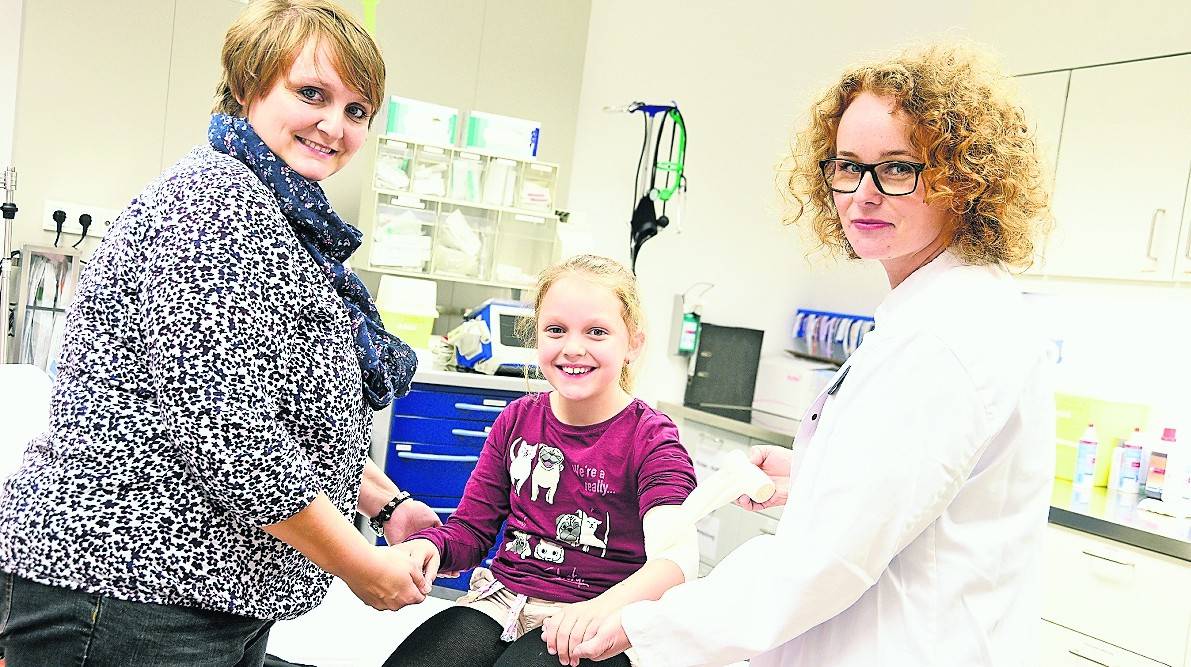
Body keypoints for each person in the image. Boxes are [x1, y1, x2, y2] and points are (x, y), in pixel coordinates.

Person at [564, 43, 1054, 666]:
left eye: (897, 167)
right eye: (847, 166)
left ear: (963, 178)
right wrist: (815, 477)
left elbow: (825, 561)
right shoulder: (944, 312)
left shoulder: (941, 338)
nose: (863, 194)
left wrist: (646, 624)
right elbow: (907, 494)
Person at [0, 2, 440, 665]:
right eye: (311, 93)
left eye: (357, 110)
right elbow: (230, 435)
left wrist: (383, 502)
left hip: (203, 597)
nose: (335, 125)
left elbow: (283, 413)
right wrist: (360, 564)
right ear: (248, 84)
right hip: (131, 589)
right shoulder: (214, 206)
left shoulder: (279, 218)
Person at [383, 254, 699, 667]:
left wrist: (600, 610)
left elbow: (676, 559)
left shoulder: (652, 437)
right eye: (556, 330)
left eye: (597, 332)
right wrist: (428, 546)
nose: (573, 348)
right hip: (502, 601)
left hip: (601, 617)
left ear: (632, 344)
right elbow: (471, 532)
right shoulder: (518, 419)